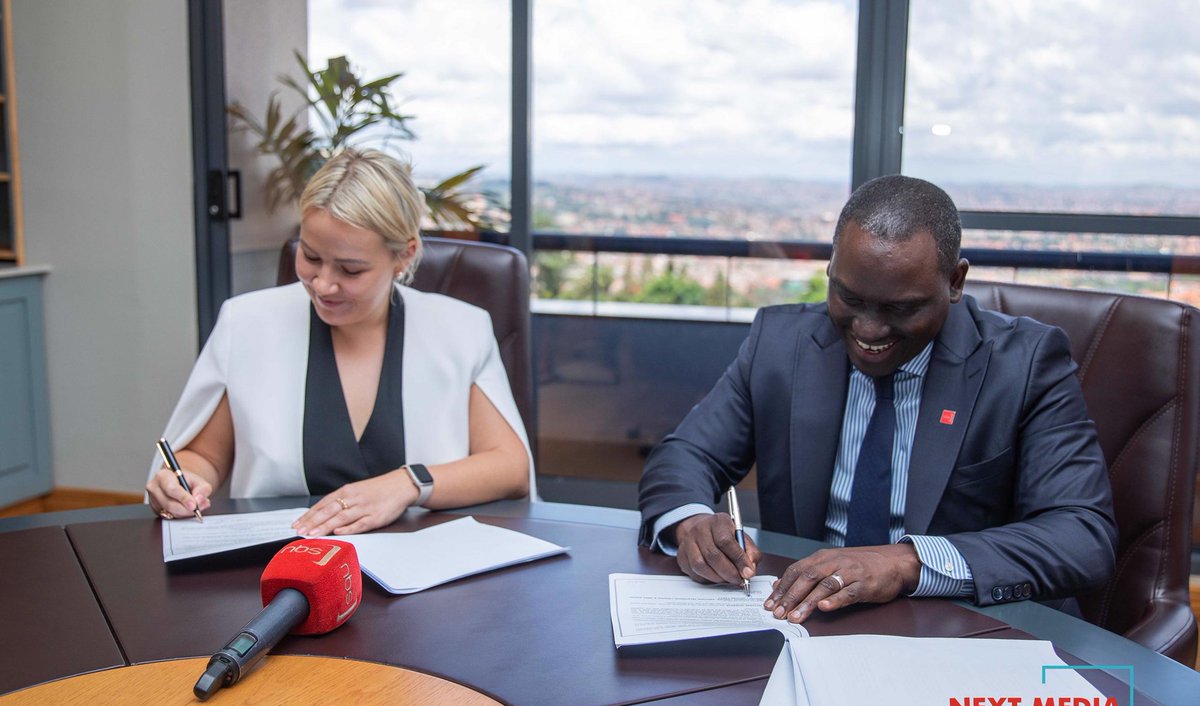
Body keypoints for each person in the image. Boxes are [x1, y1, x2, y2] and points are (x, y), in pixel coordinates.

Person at [638, 175, 1116, 624]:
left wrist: (907, 561)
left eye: (899, 308)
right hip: (804, 622)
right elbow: (688, 454)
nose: (867, 330)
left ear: (954, 282)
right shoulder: (781, 344)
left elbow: (1081, 537)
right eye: (848, 298)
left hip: (959, 630)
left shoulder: (1026, 364)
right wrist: (693, 522)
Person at [147, 148, 533, 535]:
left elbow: (509, 467)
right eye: (311, 257)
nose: (324, 285)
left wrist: (405, 485)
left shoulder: (459, 328)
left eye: (350, 269)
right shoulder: (246, 324)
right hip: (280, 562)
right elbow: (202, 455)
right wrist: (181, 481)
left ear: (404, 255)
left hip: (423, 567)